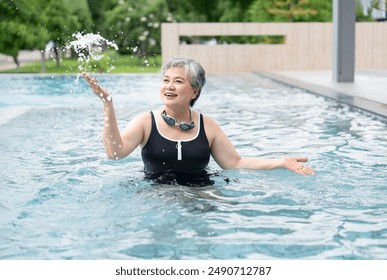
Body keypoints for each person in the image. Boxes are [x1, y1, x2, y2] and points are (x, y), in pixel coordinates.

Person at [83, 57, 314, 185]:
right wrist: (108, 105)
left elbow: (234, 163)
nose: (169, 86)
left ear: (194, 91)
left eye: (178, 81)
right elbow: (114, 153)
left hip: (201, 191)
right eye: (165, 80)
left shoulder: (208, 125)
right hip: (156, 193)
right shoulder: (146, 122)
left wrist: (280, 162)